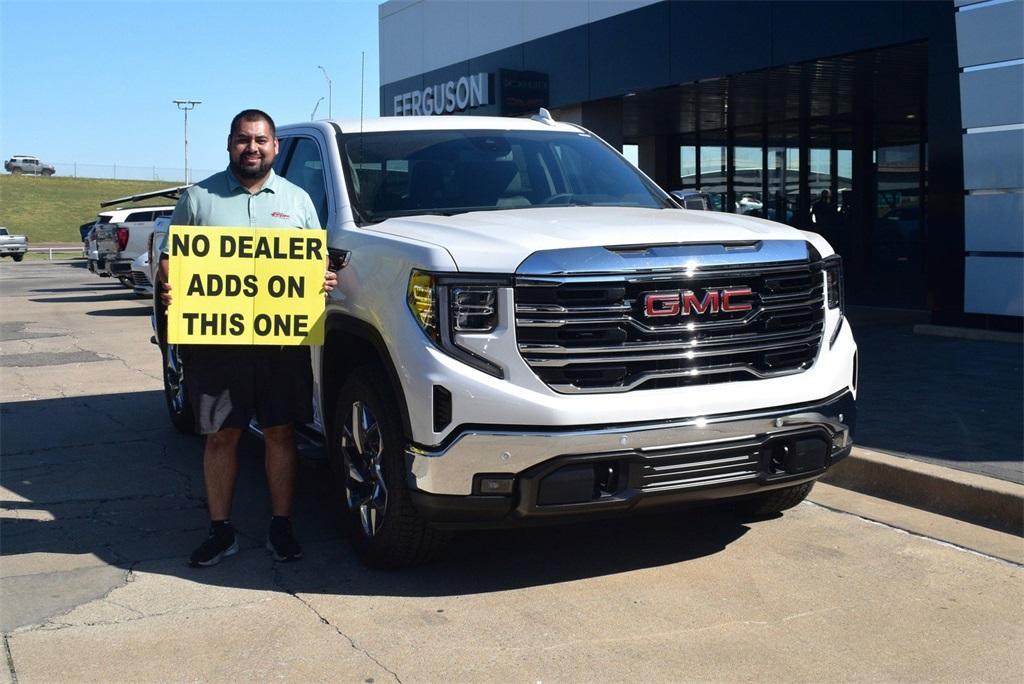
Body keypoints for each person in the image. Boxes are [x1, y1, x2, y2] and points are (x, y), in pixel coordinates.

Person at [158, 109, 337, 568]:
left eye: (261, 140)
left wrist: (322, 280)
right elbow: (170, 260)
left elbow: (315, 264)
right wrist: (169, 283)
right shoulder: (199, 199)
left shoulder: (298, 202)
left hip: (281, 344)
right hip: (217, 346)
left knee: (281, 433)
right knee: (221, 436)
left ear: (275, 147)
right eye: (243, 139)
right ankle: (221, 531)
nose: (252, 148)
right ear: (229, 143)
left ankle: (281, 526)